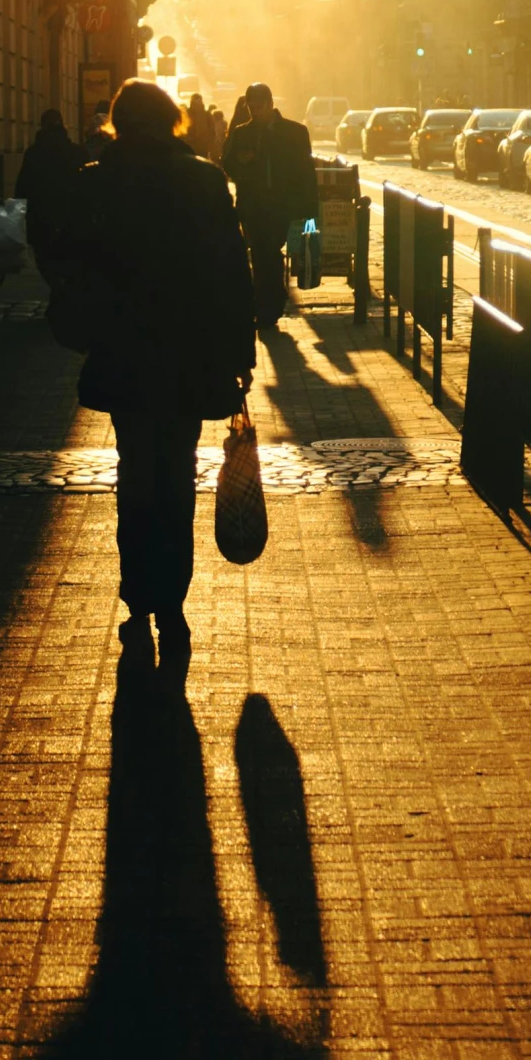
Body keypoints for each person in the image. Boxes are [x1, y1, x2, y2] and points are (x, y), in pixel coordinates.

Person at [64, 78, 255, 673]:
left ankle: (140, 597)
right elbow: (231, 270)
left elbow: (70, 262)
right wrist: (239, 356)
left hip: (125, 352)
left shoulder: (96, 181)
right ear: (173, 119)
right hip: (187, 353)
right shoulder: (203, 179)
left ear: (118, 122)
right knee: (175, 477)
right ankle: (171, 604)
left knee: (135, 473)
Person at [222, 82, 319, 337]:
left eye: (259, 107)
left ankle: (270, 302)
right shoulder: (243, 133)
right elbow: (228, 164)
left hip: (283, 205)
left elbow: (306, 173)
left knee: (268, 252)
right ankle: (269, 305)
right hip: (253, 206)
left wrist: (311, 209)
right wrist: (240, 163)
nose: (254, 112)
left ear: (270, 104)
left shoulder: (294, 132)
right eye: (250, 107)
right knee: (263, 252)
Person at [15, 107, 83, 278]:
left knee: (44, 259)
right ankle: (61, 292)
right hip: (69, 214)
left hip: (41, 215)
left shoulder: (33, 153)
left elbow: (23, 186)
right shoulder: (76, 152)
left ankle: (56, 290)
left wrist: (19, 214)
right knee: (66, 258)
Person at [184, 93, 215, 160]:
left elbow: (212, 130)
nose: (197, 105)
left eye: (198, 102)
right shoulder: (187, 114)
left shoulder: (206, 114)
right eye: (195, 103)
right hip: (190, 145)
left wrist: (210, 145)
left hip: (203, 145)